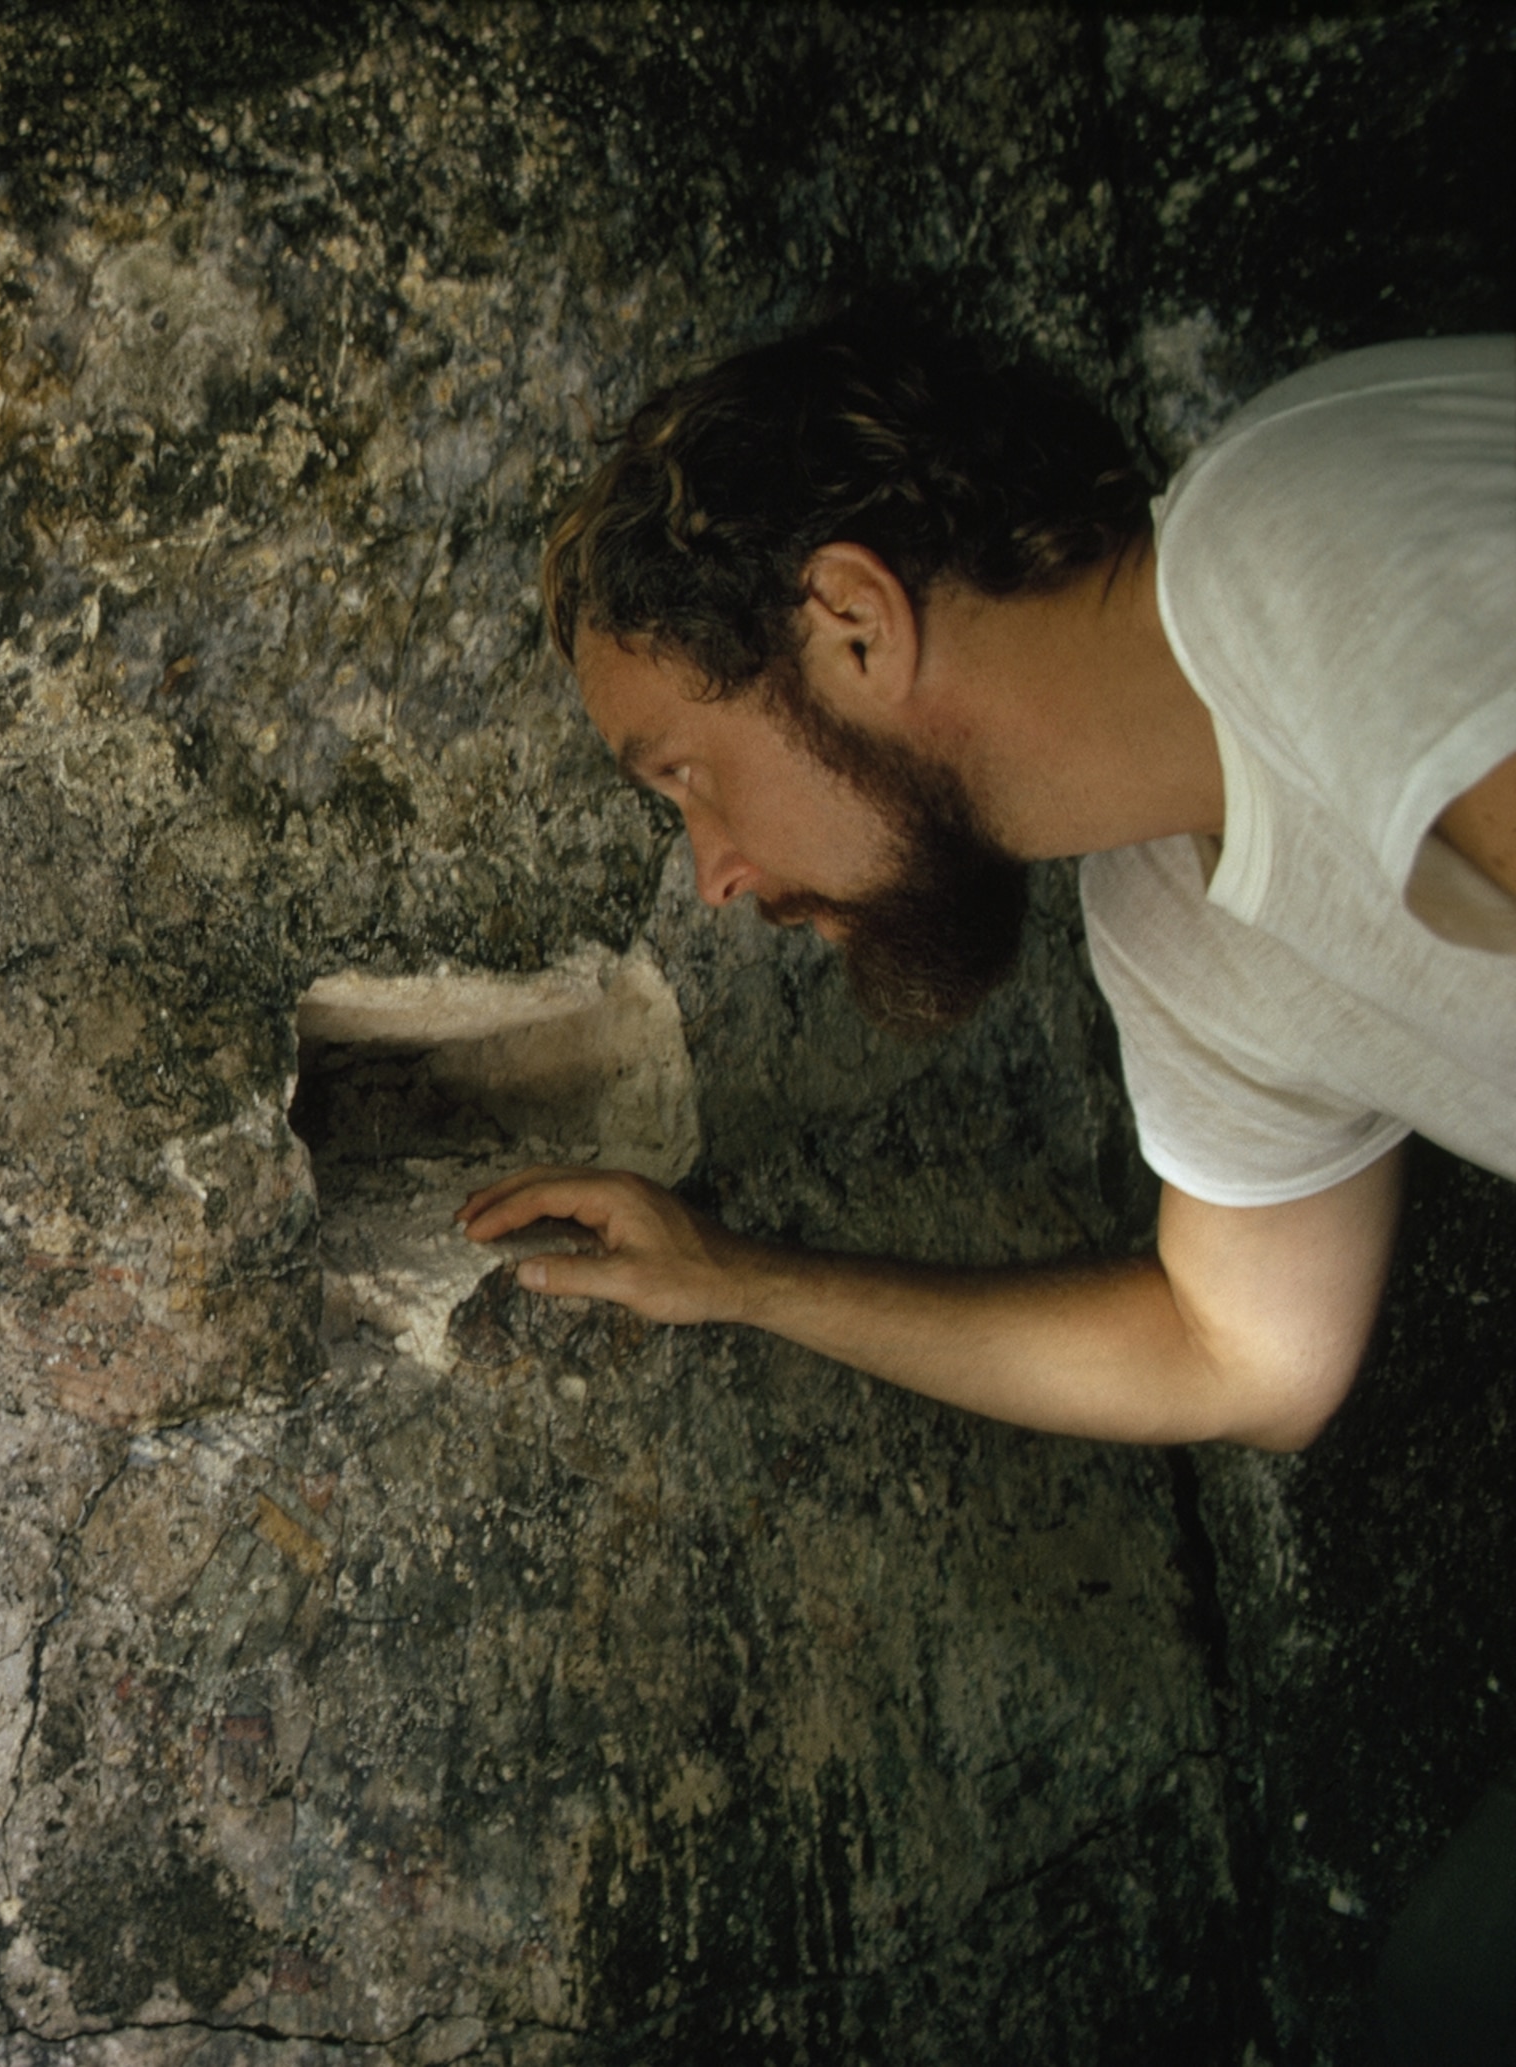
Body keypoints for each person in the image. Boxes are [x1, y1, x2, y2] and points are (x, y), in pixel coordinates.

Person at [455, 315, 1513, 2059]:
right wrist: (745, 1282)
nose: (711, 877)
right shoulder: (1174, 917)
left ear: (853, 622)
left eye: (684, 774)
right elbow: (1237, 1357)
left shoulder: (1302, 529)